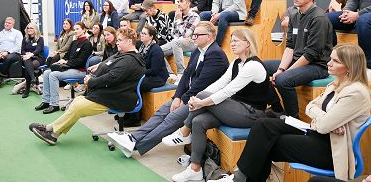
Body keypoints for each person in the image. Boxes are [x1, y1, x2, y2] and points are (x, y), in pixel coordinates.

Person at [211, 44, 371, 182]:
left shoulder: (356, 92)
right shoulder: (336, 83)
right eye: (330, 58)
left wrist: (325, 120)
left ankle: (241, 178)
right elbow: (310, 106)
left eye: (335, 61)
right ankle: (241, 178)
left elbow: (322, 125)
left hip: (331, 150)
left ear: (349, 66)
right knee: (264, 123)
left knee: (268, 143)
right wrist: (326, 119)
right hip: (317, 134)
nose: (328, 63)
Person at [107, 22, 229, 158]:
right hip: (189, 95)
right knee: (161, 112)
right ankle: (133, 138)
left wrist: (183, 99)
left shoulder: (216, 54)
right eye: (193, 34)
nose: (193, 37)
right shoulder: (197, 51)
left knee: (171, 118)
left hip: (203, 100)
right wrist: (177, 97)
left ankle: (136, 145)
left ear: (209, 37)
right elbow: (186, 76)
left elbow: (201, 84)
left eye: (197, 35)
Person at [163, 29, 270, 182]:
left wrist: (202, 101)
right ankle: (195, 168)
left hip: (252, 114)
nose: (232, 44)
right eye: (231, 41)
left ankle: (184, 131)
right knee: (198, 121)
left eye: (236, 41)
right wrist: (197, 98)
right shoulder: (236, 63)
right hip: (235, 109)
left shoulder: (254, 65)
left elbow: (228, 91)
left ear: (247, 43)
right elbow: (219, 84)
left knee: (203, 99)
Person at [29, 27, 146, 145]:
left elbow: (111, 78)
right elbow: (108, 63)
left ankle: (51, 132)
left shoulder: (130, 61)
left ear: (129, 42)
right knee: (77, 102)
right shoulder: (123, 54)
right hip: (109, 92)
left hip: (118, 97)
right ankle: (53, 132)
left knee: (78, 106)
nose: (117, 42)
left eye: (120, 40)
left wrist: (90, 82)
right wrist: (98, 67)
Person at [264, 0, 333, 119]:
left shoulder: (318, 18)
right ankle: (277, 108)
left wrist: (284, 73)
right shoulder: (294, 15)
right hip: (297, 60)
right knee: (257, 66)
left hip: (317, 66)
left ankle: (293, 119)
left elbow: (311, 54)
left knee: (283, 80)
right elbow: (290, 47)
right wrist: (281, 69)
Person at [35, 22, 92, 114]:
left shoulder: (87, 44)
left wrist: (66, 62)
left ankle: (54, 104)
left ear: (84, 30)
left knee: (53, 75)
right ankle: (46, 101)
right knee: (46, 73)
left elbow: (80, 61)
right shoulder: (74, 42)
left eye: (78, 29)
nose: (76, 31)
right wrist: (61, 60)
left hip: (80, 70)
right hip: (70, 68)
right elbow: (67, 55)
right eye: (75, 29)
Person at [122, 25, 170, 127]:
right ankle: (128, 113)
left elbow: (154, 70)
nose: (141, 35)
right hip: (147, 74)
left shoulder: (156, 49)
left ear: (151, 36)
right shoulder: (142, 46)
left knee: (134, 85)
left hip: (157, 78)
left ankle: (135, 119)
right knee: (127, 82)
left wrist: (138, 73)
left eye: (144, 34)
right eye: (141, 33)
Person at [162, 0, 200, 84]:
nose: (178, 4)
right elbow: (173, 32)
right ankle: (170, 74)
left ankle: (181, 73)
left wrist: (179, 20)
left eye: (181, 1)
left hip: (193, 43)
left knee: (176, 42)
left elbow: (187, 35)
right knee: (157, 51)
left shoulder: (195, 16)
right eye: (178, 1)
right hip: (179, 41)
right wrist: (178, 37)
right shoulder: (177, 15)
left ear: (188, 4)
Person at [0, 17, 23, 91]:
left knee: (8, 57)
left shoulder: (17, 33)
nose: (7, 24)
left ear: (13, 24)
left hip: (14, 54)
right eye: (6, 22)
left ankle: (2, 75)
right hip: (1, 53)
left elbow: (18, 46)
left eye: (9, 23)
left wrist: (7, 52)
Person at [20, 22, 44, 99]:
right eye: (28, 28)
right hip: (27, 58)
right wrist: (26, 53)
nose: (29, 29)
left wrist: (31, 54)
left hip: (38, 58)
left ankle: (27, 89)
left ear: (35, 29)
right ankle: (33, 78)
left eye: (31, 28)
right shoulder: (25, 39)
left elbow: (38, 50)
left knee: (28, 66)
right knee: (27, 62)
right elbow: (22, 51)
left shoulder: (40, 38)